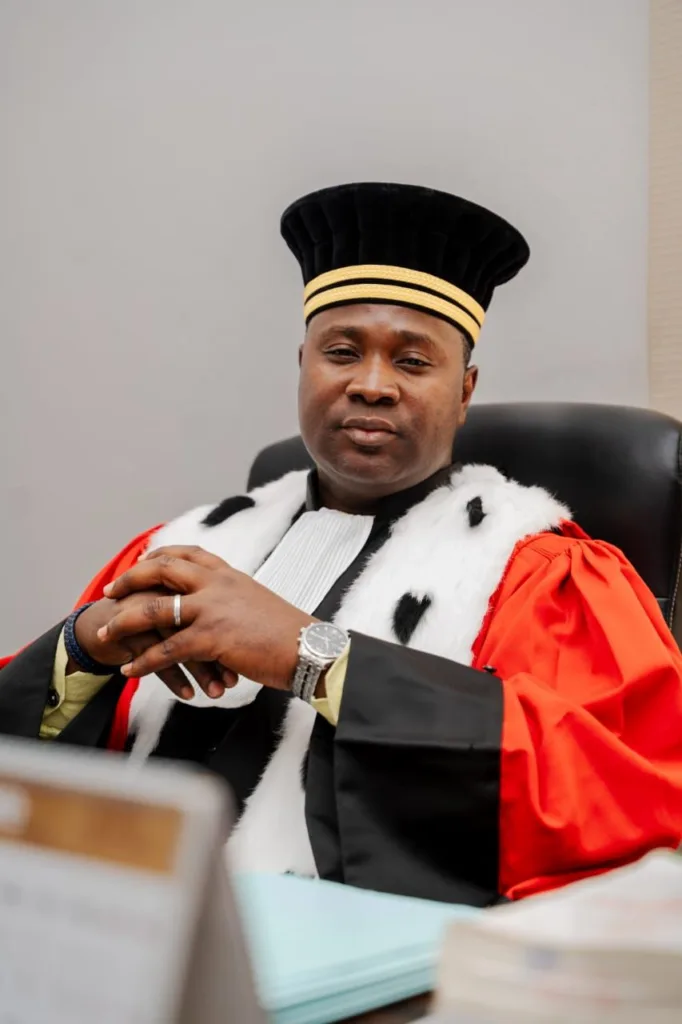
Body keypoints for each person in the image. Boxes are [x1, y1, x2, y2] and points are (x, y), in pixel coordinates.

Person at [2, 182, 682, 907]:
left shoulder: (543, 574)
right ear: (303, 364)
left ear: (464, 391)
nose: (372, 385)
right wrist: (82, 651)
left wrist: (316, 658)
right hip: (133, 921)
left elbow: (623, 798)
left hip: (352, 951)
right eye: (342, 352)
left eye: (413, 361)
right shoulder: (181, 548)